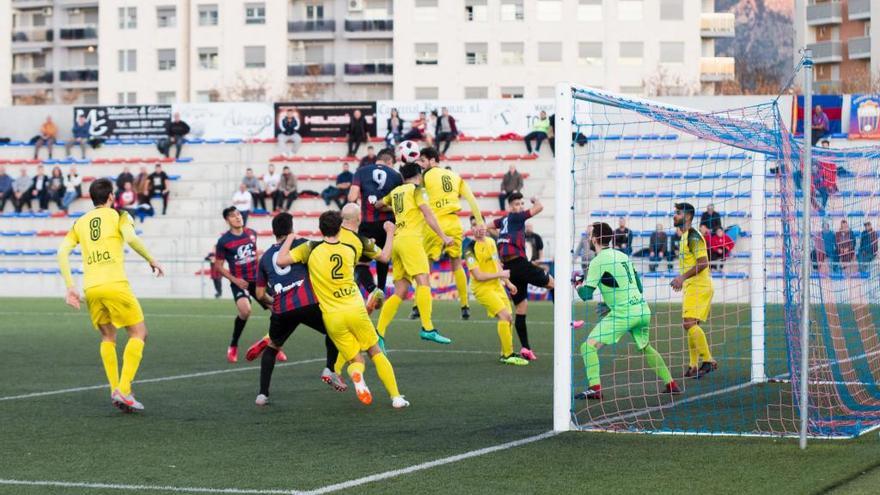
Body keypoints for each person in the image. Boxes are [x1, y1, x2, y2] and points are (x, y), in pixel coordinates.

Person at [277, 210, 409, 409]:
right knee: (375, 351)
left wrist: (290, 238)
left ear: (320, 229)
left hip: (332, 316)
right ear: (340, 228)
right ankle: (396, 397)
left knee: (355, 358)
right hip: (355, 309)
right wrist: (389, 233)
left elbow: (281, 261)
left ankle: (357, 376)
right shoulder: (350, 249)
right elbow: (381, 257)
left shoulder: (310, 248)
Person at [57, 178, 165, 412]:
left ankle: (116, 390)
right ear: (111, 197)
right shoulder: (120, 216)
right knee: (139, 332)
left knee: (108, 338)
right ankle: (123, 388)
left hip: (91, 288)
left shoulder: (80, 222)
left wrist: (70, 286)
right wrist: (151, 259)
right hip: (115, 284)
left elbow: (62, 252)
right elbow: (132, 238)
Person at [574, 222, 681, 400]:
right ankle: (671, 384)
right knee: (646, 347)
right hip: (642, 309)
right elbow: (638, 286)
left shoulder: (597, 261)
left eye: (590, 234)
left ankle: (595, 388)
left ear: (594, 239)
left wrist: (577, 284)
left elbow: (586, 295)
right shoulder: (622, 255)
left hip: (624, 314)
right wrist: (612, 303)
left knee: (587, 347)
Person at [250, 212, 347, 406]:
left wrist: (274, 301)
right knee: (336, 332)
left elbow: (260, 295)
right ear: (291, 228)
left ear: (274, 232)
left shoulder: (266, 257)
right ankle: (329, 369)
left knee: (272, 348)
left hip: (282, 309)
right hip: (307, 304)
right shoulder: (303, 244)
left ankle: (262, 394)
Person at [374, 162, 454, 347]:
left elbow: (379, 204)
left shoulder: (396, 193)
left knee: (400, 291)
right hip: (411, 240)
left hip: (397, 241)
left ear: (402, 177)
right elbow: (428, 214)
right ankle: (428, 328)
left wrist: (386, 205)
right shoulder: (418, 190)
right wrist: (443, 236)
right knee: (423, 282)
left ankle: (379, 333)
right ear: (419, 175)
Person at [416, 146, 485, 321]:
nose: (421, 165)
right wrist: (480, 222)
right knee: (457, 264)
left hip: (434, 223)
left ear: (432, 160)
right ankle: (464, 306)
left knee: (426, 266)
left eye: (423, 161)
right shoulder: (456, 177)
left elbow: (415, 193)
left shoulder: (426, 175)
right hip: (453, 222)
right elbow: (471, 199)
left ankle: (418, 307)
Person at [494, 193, 555, 360]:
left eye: (521, 204)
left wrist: (500, 241)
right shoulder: (516, 217)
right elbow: (539, 208)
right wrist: (534, 200)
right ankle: (566, 322)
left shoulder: (504, 220)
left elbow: (489, 226)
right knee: (554, 284)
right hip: (520, 264)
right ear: (510, 207)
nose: (520, 206)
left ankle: (526, 349)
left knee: (521, 307)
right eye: (516, 204)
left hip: (510, 268)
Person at [464, 223, 529, 366]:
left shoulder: (491, 242)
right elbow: (478, 276)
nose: (479, 228)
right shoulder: (469, 249)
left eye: (481, 224)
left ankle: (506, 352)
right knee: (505, 316)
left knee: (509, 318)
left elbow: (497, 264)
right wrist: (500, 274)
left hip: (497, 285)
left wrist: (508, 283)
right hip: (482, 289)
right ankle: (507, 355)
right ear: (472, 228)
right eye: (475, 225)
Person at [214, 207, 272, 363]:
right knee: (245, 311)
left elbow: (255, 257)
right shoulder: (223, 241)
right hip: (240, 282)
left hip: (257, 280)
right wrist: (235, 280)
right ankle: (233, 345)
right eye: (233, 216)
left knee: (278, 311)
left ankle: (274, 345)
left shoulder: (252, 233)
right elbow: (218, 265)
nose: (238, 217)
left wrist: (264, 275)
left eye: (238, 214)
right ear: (227, 221)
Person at [349, 147, 403, 310]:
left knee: (362, 263)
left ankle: (367, 291)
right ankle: (380, 291)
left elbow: (352, 197)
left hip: (367, 224)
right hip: (388, 224)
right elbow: (399, 201)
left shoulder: (361, 171)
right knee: (383, 258)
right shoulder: (396, 176)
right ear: (389, 162)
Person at [671, 202, 717, 378]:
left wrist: (682, 278)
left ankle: (708, 360)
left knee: (688, 323)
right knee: (691, 325)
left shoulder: (693, 236)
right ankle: (693, 366)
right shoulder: (684, 237)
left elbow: (703, 262)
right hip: (694, 286)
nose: (674, 215)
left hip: (699, 285)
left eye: (678, 213)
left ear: (688, 216)